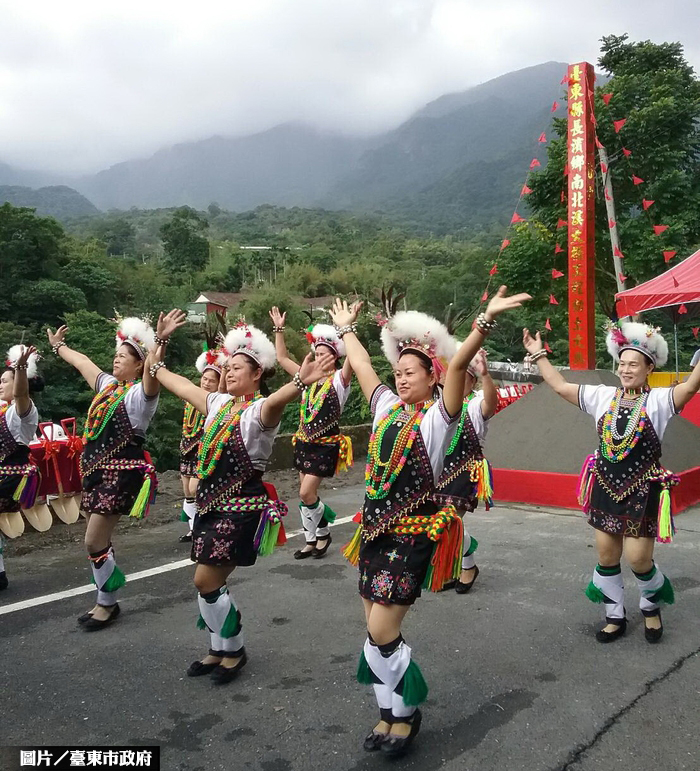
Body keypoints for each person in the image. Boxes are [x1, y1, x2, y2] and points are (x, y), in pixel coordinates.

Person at [331, 286, 529, 756]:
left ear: (430, 377)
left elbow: (458, 365)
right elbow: (361, 366)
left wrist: (485, 322)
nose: (400, 379)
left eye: (410, 373)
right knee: (375, 633)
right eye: (397, 372)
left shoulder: (438, 420)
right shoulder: (384, 409)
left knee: (382, 632)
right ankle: (390, 716)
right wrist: (345, 331)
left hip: (412, 537)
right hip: (374, 535)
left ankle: (410, 711)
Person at [147, 314, 336, 684]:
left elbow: (280, 398)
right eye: (227, 367)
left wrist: (300, 381)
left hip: (240, 510)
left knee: (204, 580)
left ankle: (234, 647)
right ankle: (219, 647)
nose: (228, 372)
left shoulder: (259, 413)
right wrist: (161, 341)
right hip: (210, 507)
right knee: (208, 583)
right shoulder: (216, 404)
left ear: (257, 375)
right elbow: (175, 382)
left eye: (238, 368)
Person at [523, 320, 700, 643]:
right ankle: (614, 614)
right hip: (605, 486)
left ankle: (650, 606)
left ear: (649, 367)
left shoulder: (659, 402)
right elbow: (562, 386)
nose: (625, 369)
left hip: (642, 490)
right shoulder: (602, 396)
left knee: (638, 559)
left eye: (633, 364)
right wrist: (539, 356)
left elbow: (689, 388)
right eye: (622, 363)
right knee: (606, 556)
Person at [46, 315, 170, 630]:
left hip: (121, 476)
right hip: (95, 474)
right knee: (99, 540)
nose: (116, 358)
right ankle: (106, 600)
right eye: (116, 354)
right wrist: (59, 347)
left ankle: (107, 603)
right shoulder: (107, 386)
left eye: (124, 356)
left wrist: (160, 343)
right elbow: (83, 362)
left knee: (92, 541)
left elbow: (154, 375)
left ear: (139, 365)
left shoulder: (141, 397)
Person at [269, 306, 355, 559]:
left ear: (335, 357)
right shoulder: (306, 379)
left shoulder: (340, 381)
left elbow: (354, 358)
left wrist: (347, 328)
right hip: (304, 442)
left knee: (306, 493)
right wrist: (279, 329)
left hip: (325, 445)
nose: (320, 358)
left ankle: (324, 530)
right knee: (306, 494)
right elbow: (282, 357)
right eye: (316, 353)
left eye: (325, 354)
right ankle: (311, 538)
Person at [434, 348, 497, 593]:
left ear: (471, 380)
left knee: (448, 521)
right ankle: (462, 563)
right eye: (449, 376)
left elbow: (491, 404)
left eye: (460, 376)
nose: (454, 381)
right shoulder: (438, 405)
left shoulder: (474, 404)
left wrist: (486, 375)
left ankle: (467, 565)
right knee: (439, 523)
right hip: (438, 472)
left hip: (464, 471)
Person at [0, 345, 42, 591]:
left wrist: (21, 369)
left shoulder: (22, 413)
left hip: (11, 478)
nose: (0, 385)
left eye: (5, 381)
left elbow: (20, 396)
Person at [178, 348, 225, 543]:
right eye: (204, 378)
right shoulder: (191, 397)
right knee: (187, 491)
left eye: (211, 380)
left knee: (195, 489)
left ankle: (201, 525)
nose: (206, 383)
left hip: (203, 450)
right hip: (186, 447)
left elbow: (222, 391)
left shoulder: (216, 402)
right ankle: (193, 528)